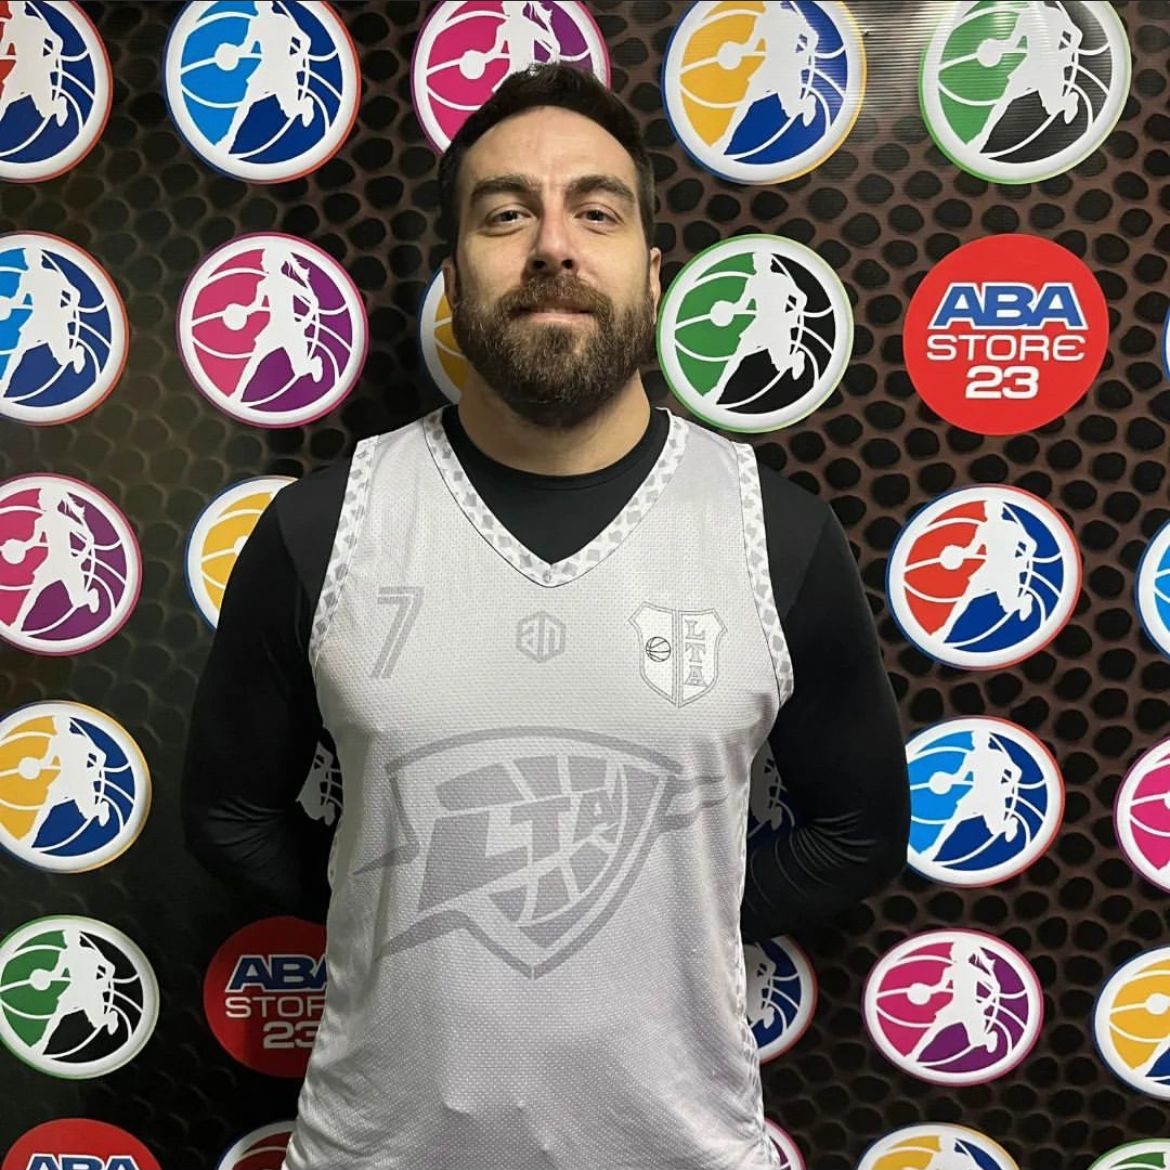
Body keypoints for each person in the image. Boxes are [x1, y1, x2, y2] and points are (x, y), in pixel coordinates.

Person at [182, 62, 909, 1170]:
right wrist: (402, 895)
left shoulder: (777, 533)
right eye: (506, 213)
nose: (554, 246)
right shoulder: (322, 527)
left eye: (597, 212)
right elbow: (230, 813)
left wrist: (661, 910)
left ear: (652, 274)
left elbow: (858, 830)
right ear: (453, 276)